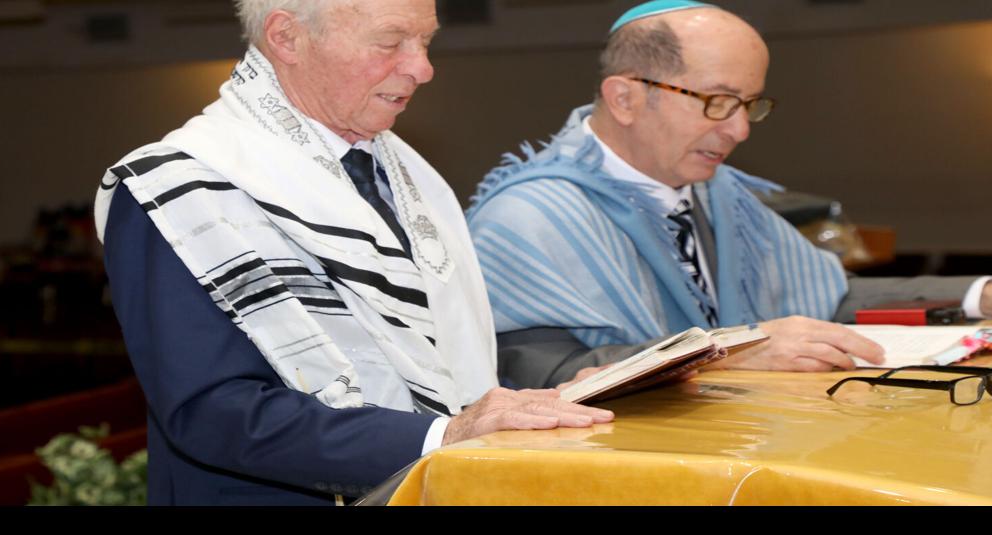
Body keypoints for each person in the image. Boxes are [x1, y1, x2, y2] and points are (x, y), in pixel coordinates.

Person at [94, 0, 610, 505]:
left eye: (425, 41)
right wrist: (442, 435)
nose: (423, 68)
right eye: (391, 42)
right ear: (286, 37)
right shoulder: (180, 190)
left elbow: (428, 355)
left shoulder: (404, 175)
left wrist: (543, 397)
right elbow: (212, 412)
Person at [465, 0, 992, 389]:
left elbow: (826, 299)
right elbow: (536, 375)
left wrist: (989, 297)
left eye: (749, 105)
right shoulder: (527, 217)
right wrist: (729, 354)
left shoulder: (720, 195)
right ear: (625, 99)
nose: (739, 130)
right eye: (717, 102)